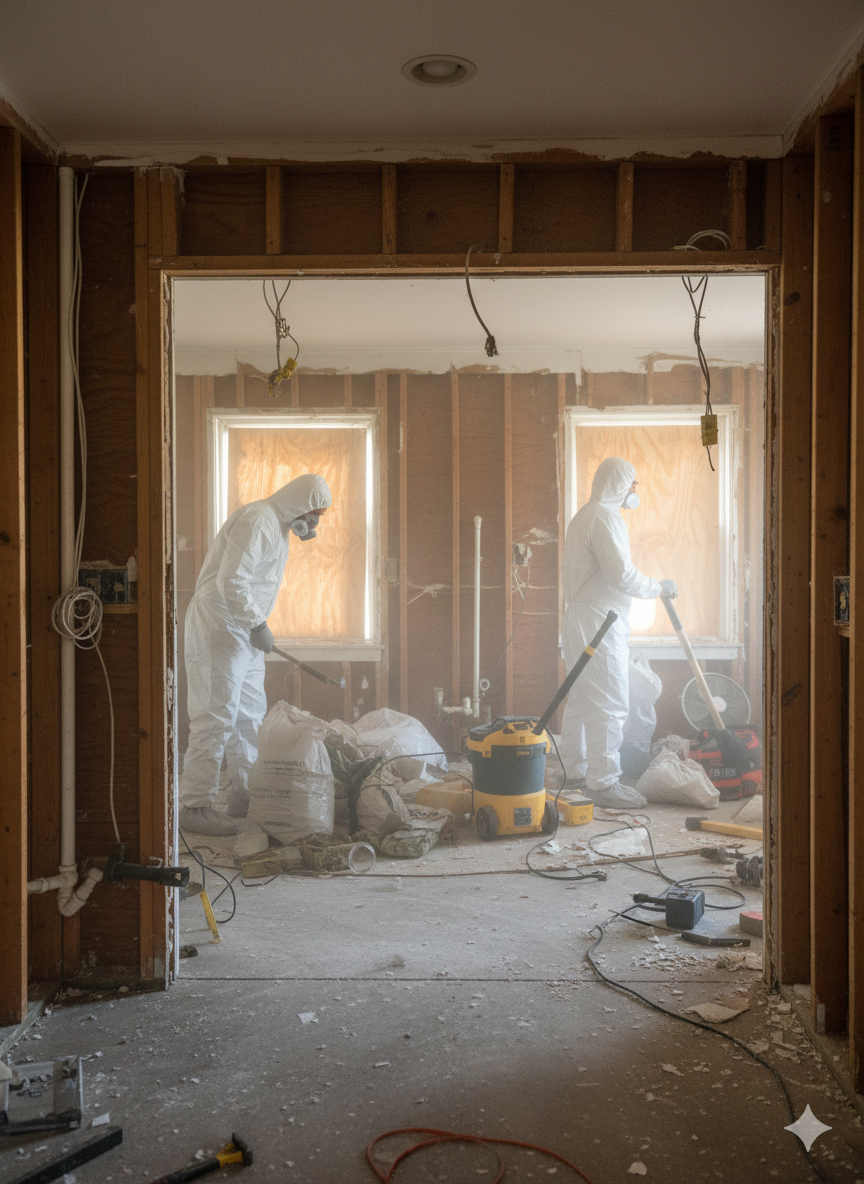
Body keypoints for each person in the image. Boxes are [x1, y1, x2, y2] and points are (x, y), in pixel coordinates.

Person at [178, 473, 332, 836]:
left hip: (242, 633)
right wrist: (256, 624)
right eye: (313, 515)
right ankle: (195, 805)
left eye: (318, 518)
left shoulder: (276, 527)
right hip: (221, 627)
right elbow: (231, 580)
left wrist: (253, 627)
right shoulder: (258, 520)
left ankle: (244, 792)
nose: (313, 524)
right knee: (215, 716)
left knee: (249, 715)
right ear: (298, 504)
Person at [559, 457, 676, 809]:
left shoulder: (585, 515)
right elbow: (622, 575)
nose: (634, 491)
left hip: (582, 619)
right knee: (610, 700)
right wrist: (659, 587)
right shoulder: (606, 518)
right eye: (632, 484)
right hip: (599, 622)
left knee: (581, 698)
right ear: (620, 484)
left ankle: (575, 771)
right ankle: (604, 782)